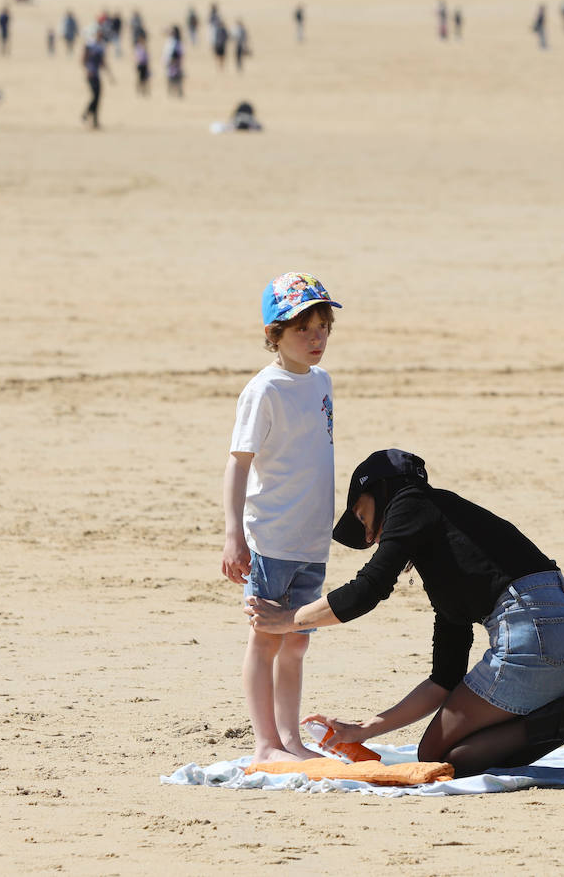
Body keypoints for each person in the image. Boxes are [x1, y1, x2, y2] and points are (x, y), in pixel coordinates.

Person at [247, 449, 564, 786]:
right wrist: (364, 730)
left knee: (437, 756)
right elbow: (443, 679)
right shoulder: (451, 542)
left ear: (381, 489)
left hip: (532, 641)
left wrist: (288, 620)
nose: (370, 534)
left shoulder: (410, 502)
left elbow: (367, 590)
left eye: (361, 515)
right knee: (452, 746)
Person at [222, 273, 342, 765]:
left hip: (312, 540)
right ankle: (265, 744)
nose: (316, 339)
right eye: (302, 329)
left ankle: (291, 740)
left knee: (296, 645)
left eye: (323, 327)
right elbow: (239, 461)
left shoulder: (322, 383)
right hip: (271, 538)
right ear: (274, 334)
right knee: (266, 640)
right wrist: (234, 535)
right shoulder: (263, 390)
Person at [81, 28, 112, 128]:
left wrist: (109, 75)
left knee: (98, 97)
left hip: (96, 74)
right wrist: (87, 69)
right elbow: (83, 59)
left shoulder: (100, 47)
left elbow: (103, 62)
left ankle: (94, 120)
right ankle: (86, 114)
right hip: (91, 74)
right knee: (94, 96)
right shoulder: (90, 45)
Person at [163, 24, 184, 97]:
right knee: (170, 78)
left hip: (175, 62)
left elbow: (180, 54)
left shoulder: (177, 42)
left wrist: (175, 61)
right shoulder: (169, 41)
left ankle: (178, 93)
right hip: (169, 62)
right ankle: (170, 93)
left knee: (177, 78)